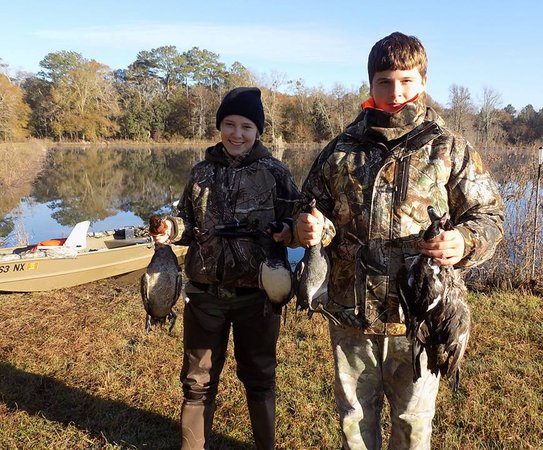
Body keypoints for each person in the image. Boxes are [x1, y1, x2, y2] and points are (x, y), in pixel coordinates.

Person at [292, 32, 505, 449]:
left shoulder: (448, 147)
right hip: (351, 315)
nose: (395, 93)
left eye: (406, 81)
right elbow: (312, 211)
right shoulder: (339, 150)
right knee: (354, 421)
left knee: (411, 424)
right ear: (370, 84)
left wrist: (463, 242)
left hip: (421, 320)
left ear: (423, 81)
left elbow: (490, 216)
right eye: (385, 82)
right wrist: (309, 227)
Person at [152, 86, 300, 450]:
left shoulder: (276, 173)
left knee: (260, 377)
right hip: (205, 297)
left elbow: (299, 226)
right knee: (197, 381)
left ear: (258, 130)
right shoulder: (201, 172)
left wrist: (288, 231)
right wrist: (171, 229)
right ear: (219, 126)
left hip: (259, 297)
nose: (237, 134)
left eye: (246, 126)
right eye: (229, 124)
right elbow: (188, 223)